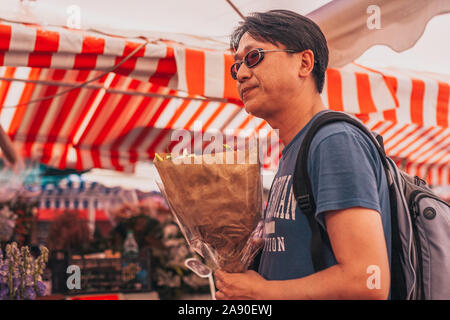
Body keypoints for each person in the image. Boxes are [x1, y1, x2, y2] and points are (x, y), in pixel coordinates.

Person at [214, 10, 392, 300]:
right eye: (236, 67)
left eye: (253, 57)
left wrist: (265, 291)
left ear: (304, 62)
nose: (242, 74)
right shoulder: (295, 150)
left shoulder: (333, 141)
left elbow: (367, 281)